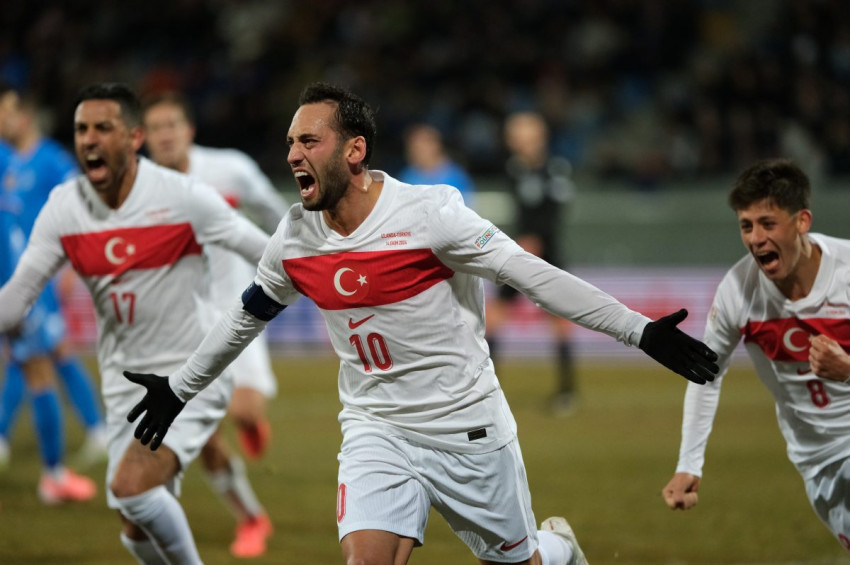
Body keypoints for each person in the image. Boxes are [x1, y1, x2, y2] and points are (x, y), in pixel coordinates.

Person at [124, 82, 719, 565]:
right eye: (289, 142)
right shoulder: (295, 238)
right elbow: (243, 319)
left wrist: (638, 330)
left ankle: (557, 547)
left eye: (309, 140)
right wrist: (179, 389)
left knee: (523, 562)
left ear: (354, 151)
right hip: (375, 428)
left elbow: (534, 275)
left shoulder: (431, 215)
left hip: (467, 428)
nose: (292, 155)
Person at [0, 82, 270, 564]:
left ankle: (247, 519)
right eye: (82, 128)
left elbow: (264, 252)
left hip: (191, 372)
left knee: (132, 488)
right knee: (132, 521)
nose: (89, 139)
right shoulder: (65, 206)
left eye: (104, 127)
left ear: (133, 138)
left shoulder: (184, 197)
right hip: (125, 379)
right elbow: (18, 295)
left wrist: (334, 285)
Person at [662, 158, 850, 552]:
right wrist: (688, 464)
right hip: (816, 459)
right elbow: (706, 374)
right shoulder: (738, 290)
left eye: (768, 223)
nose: (756, 238)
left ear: (802, 221)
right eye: (746, 225)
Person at [141, 91, 282, 557]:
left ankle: (251, 423)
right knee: (200, 435)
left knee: (244, 410)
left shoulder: (230, 169)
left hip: (242, 310)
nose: (163, 136)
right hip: (182, 326)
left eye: (170, 126)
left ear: (188, 131)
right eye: (154, 129)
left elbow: (275, 213)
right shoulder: (140, 189)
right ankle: (252, 518)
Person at [0, 85, 104, 501]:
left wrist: (67, 263)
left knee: (42, 360)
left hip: (33, 282)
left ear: (24, 117)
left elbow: (80, 207)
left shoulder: (51, 161)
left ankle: (73, 451)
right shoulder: (6, 160)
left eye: (5, 112)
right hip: (15, 284)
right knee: (38, 363)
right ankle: (55, 471)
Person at [486, 111, 579, 415]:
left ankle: (567, 393)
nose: (515, 141)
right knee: (494, 317)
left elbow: (553, 213)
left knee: (559, 321)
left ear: (537, 138)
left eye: (520, 135)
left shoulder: (555, 170)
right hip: (521, 252)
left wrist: (538, 239)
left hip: (547, 253)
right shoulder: (515, 170)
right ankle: (488, 391)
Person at [399, 123, 476, 207]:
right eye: (412, 148)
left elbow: (465, 210)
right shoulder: (407, 176)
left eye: (420, 148)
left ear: (435, 146)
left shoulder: (456, 177)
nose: (414, 152)